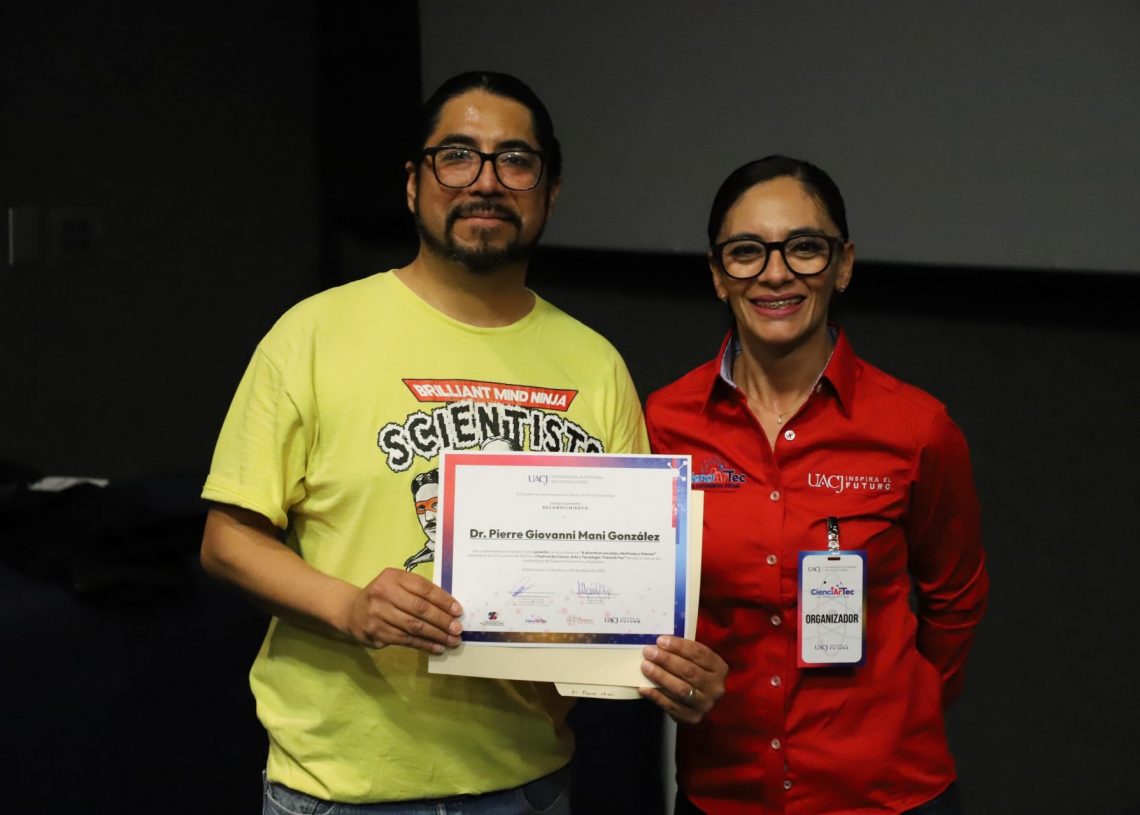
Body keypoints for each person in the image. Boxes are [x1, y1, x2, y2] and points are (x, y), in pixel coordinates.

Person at [199, 70, 726, 814]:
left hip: (525, 783)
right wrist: (351, 607)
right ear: (414, 183)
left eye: (515, 160)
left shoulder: (595, 365)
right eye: (457, 156)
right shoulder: (312, 334)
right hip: (342, 787)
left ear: (549, 192)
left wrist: (669, 667)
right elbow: (227, 540)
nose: (486, 181)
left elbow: (619, 597)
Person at [645, 155, 988, 814]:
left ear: (843, 263)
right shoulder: (664, 423)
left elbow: (957, 597)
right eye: (746, 251)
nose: (775, 273)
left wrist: (899, 710)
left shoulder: (917, 427)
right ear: (717, 274)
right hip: (727, 790)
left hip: (885, 793)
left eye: (804, 248)